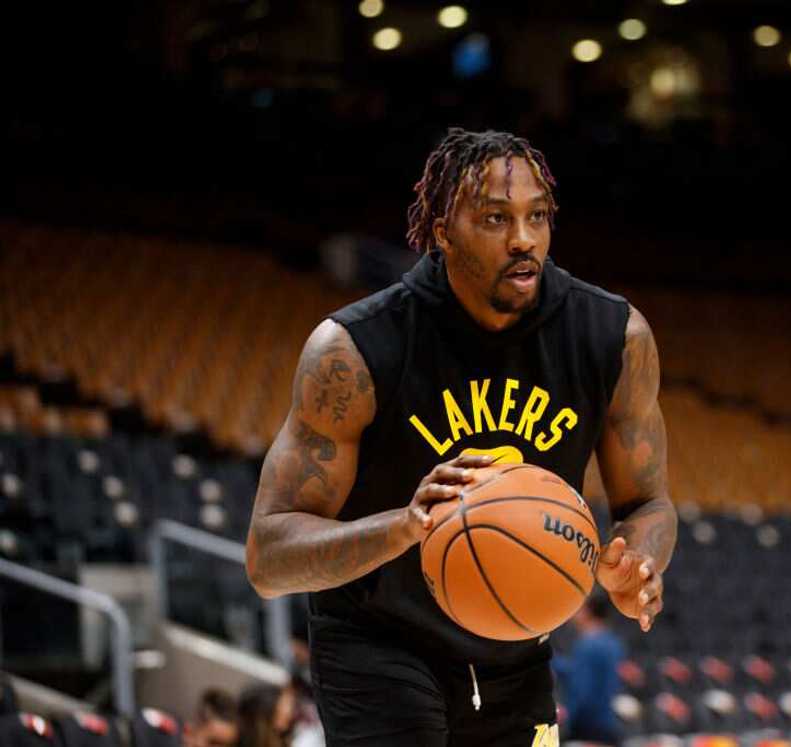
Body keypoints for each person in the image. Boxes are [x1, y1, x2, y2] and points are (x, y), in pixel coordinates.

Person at [245, 127, 678, 746]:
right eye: (496, 219)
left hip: (516, 640)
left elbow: (650, 504)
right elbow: (268, 557)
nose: (523, 239)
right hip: (379, 641)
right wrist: (404, 527)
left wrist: (638, 560)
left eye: (537, 216)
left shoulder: (612, 337)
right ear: (443, 231)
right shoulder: (356, 350)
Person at [553, 594, 626, 745]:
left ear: (587, 611)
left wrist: (568, 717)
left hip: (588, 726)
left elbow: (581, 688)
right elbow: (578, 672)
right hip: (606, 720)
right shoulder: (612, 641)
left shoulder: (588, 645)